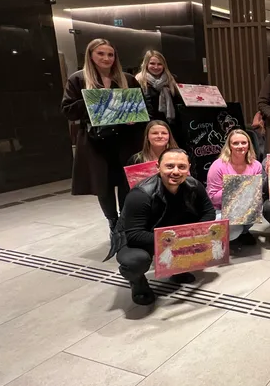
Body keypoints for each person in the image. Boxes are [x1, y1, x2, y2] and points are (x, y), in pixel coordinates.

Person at [113, 148, 217, 305]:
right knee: (135, 261)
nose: (175, 171)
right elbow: (134, 235)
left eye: (181, 167)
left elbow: (209, 212)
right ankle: (137, 282)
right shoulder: (140, 194)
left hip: (170, 233)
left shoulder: (194, 186)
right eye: (169, 166)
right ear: (158, 167)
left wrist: (195, 234)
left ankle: (177, 269)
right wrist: (179, 239)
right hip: (136, 239)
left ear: (188, 167)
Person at [61, 38, 142, 235]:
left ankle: (125, 219)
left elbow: (140, 108)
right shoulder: (78, 79)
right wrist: (93, 101)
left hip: (124, 140)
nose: (106, 58)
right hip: (95, 141)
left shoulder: (127, 79)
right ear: (90, 55)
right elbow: (68, 110)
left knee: (126, 181)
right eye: (101, 54)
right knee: (103, 183)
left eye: (110, 54)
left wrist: (134, 116)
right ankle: (112, 222)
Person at [206, 129, 264, 246]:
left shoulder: (256, 165)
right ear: (229, 146)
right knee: (233, 232)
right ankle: (233, 235)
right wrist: (234, 187)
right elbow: (212, 197)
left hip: (244, 206)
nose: (240, 146)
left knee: (257, 209)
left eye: (244, 142)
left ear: (249, 145)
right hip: (220, 208)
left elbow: (256, 193)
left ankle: (244, 232)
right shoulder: (218, 165)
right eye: (235, 143)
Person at [135, 50, 180, 125]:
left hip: (170, 124)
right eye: (152, 63)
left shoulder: (172, 80)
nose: (156, 67)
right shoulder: (138, 81)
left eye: (159, 64)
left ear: (164, 66)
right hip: (148, 124)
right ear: (146, 64)